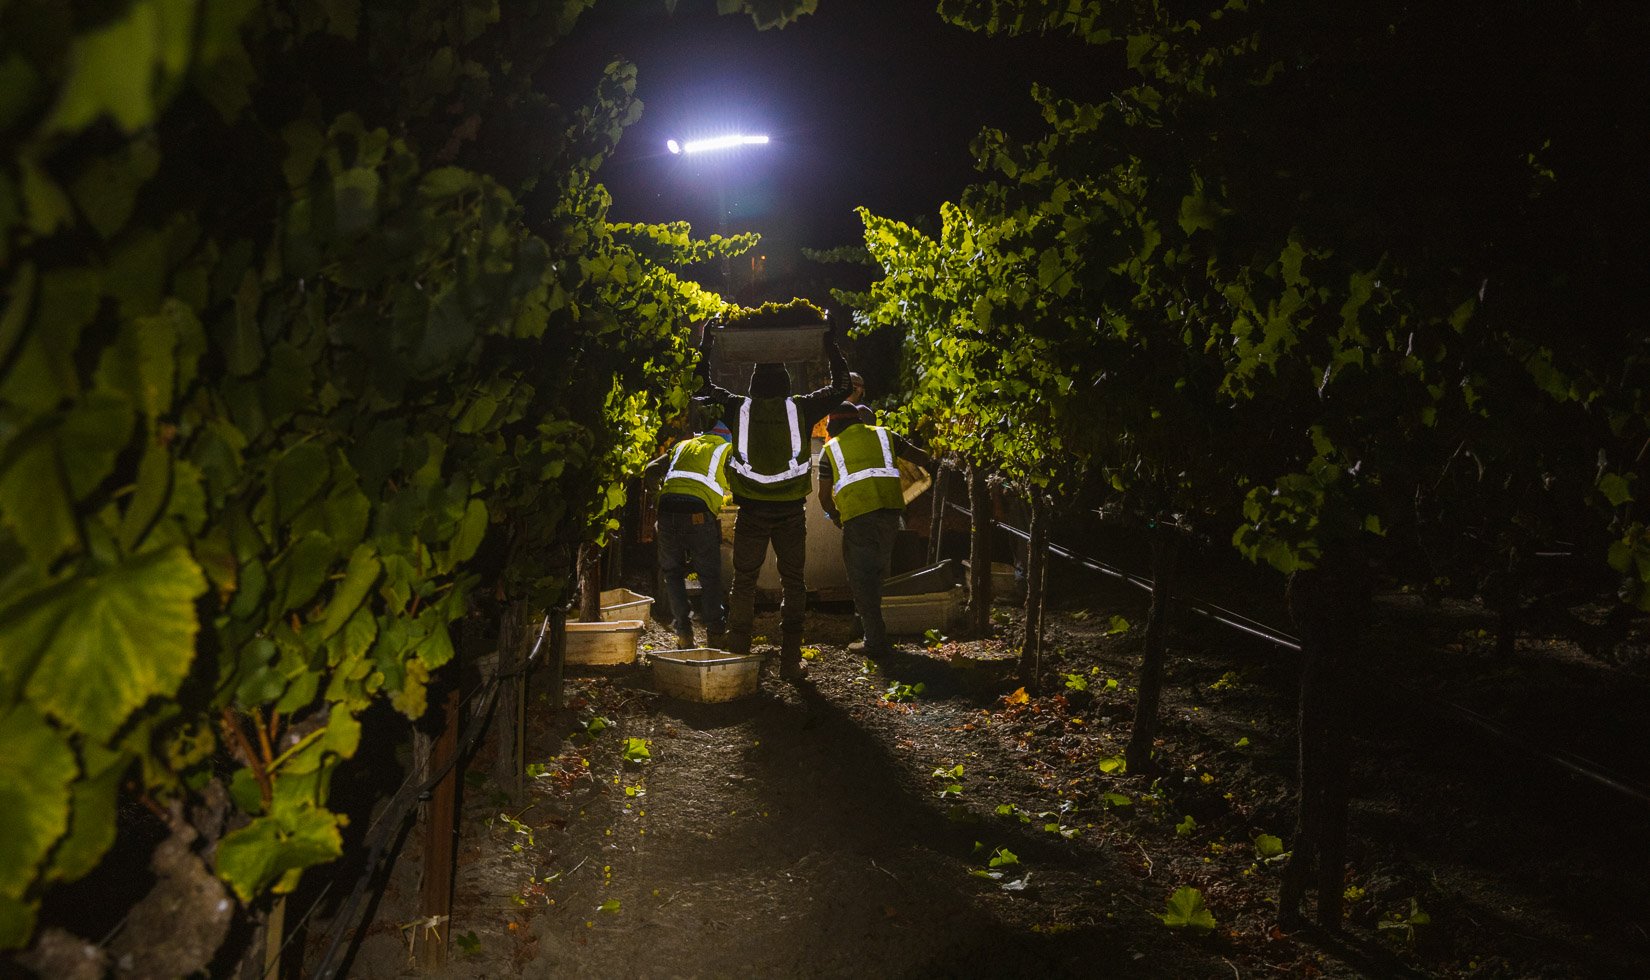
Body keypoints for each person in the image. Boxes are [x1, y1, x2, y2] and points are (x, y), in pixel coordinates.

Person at [696, 330, 853, 680]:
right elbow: (843, 387)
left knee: (744, 582)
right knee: (793, 582)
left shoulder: (738, 407)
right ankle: (790, 661)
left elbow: (700, 386)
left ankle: (738, 650)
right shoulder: (801, 407)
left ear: (752, 386)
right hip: (789, 513)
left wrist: (707, 343)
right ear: (786, 382)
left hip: (752, 511)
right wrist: (829, 343)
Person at [817, 402, 911, 659]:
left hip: (858, 517)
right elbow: (920, 456)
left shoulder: (831, 449)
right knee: (879, 573)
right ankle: (866, 627)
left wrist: (837, 518)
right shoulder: (885, 435)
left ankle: (875, 641)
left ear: (833, 426)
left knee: (861, 579)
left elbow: (823, 498)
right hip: (891, 513)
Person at [644, 418, 733, 649]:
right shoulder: (727, 448)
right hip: (699, 514)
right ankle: (715, 633)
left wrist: (657, 499)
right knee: (709, 576)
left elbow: (651, 470)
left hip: (667, 512)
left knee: (672, 574)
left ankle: (684, 634)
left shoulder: (682, 445)